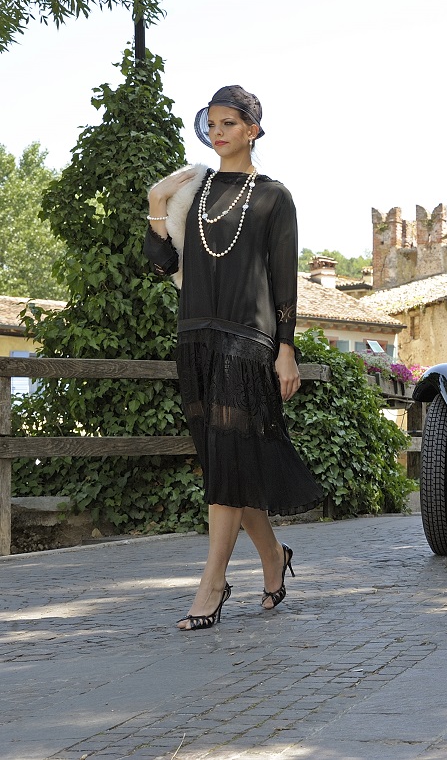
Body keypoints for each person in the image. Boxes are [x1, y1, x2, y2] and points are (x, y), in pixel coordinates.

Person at [144, 85, 323, 631]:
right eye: (212, 123)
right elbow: (160, 264)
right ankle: (273, 556)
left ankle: (213, 583)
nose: (218, 132)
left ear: (253, 130)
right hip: (195, 335)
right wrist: (156, 205)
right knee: (228, 464)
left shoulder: (273, 196)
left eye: (229, 123)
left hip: (248, 340)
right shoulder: (191, 193)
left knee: (227, 461)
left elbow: (284, 279)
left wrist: (286, 349)